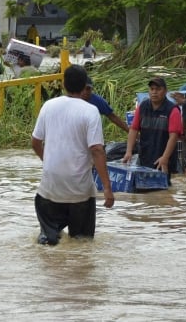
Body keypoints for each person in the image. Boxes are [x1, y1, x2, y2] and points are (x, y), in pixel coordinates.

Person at [31, 64, 114, 246]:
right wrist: (107, 188)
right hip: (80, 192)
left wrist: (49, 163)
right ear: (85, 86)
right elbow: (97, 150)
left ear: (63, 84)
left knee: (48, 243)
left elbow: (35, 142)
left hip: (50, 188)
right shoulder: (90, 111)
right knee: (81, 244)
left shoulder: (48, 106)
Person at [122, 77, 182, 183]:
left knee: (163, 190)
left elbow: (174, 137)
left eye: (158, 89)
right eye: (152, 89)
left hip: (163, 159)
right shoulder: (142, 107)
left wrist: (165, 157)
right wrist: (128, 151)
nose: (154, 92)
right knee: (145, 190)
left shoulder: (173, 110)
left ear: (165, 91)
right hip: (145, 156)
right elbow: (134, 130)